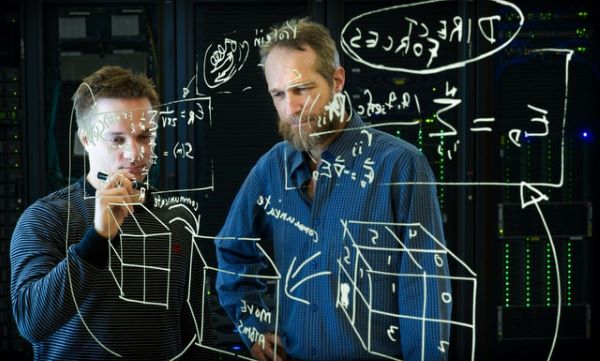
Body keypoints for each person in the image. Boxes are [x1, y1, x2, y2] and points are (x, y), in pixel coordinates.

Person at [215, 18, 452, 361]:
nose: (291, 108)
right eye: (278, 94)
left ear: (336, 80)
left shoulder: (400, 164)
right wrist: (253, 326)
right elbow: (232, 250)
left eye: (302, 89)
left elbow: (424, 288)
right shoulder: (272, 167)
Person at [10, 65, 214, 360]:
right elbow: (31, 321)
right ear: (86, 140)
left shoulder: (176, 224)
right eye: (117, 139)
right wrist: (98, 237)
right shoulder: (46, 218)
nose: (135, 154)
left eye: (144, 137)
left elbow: (195, 334)